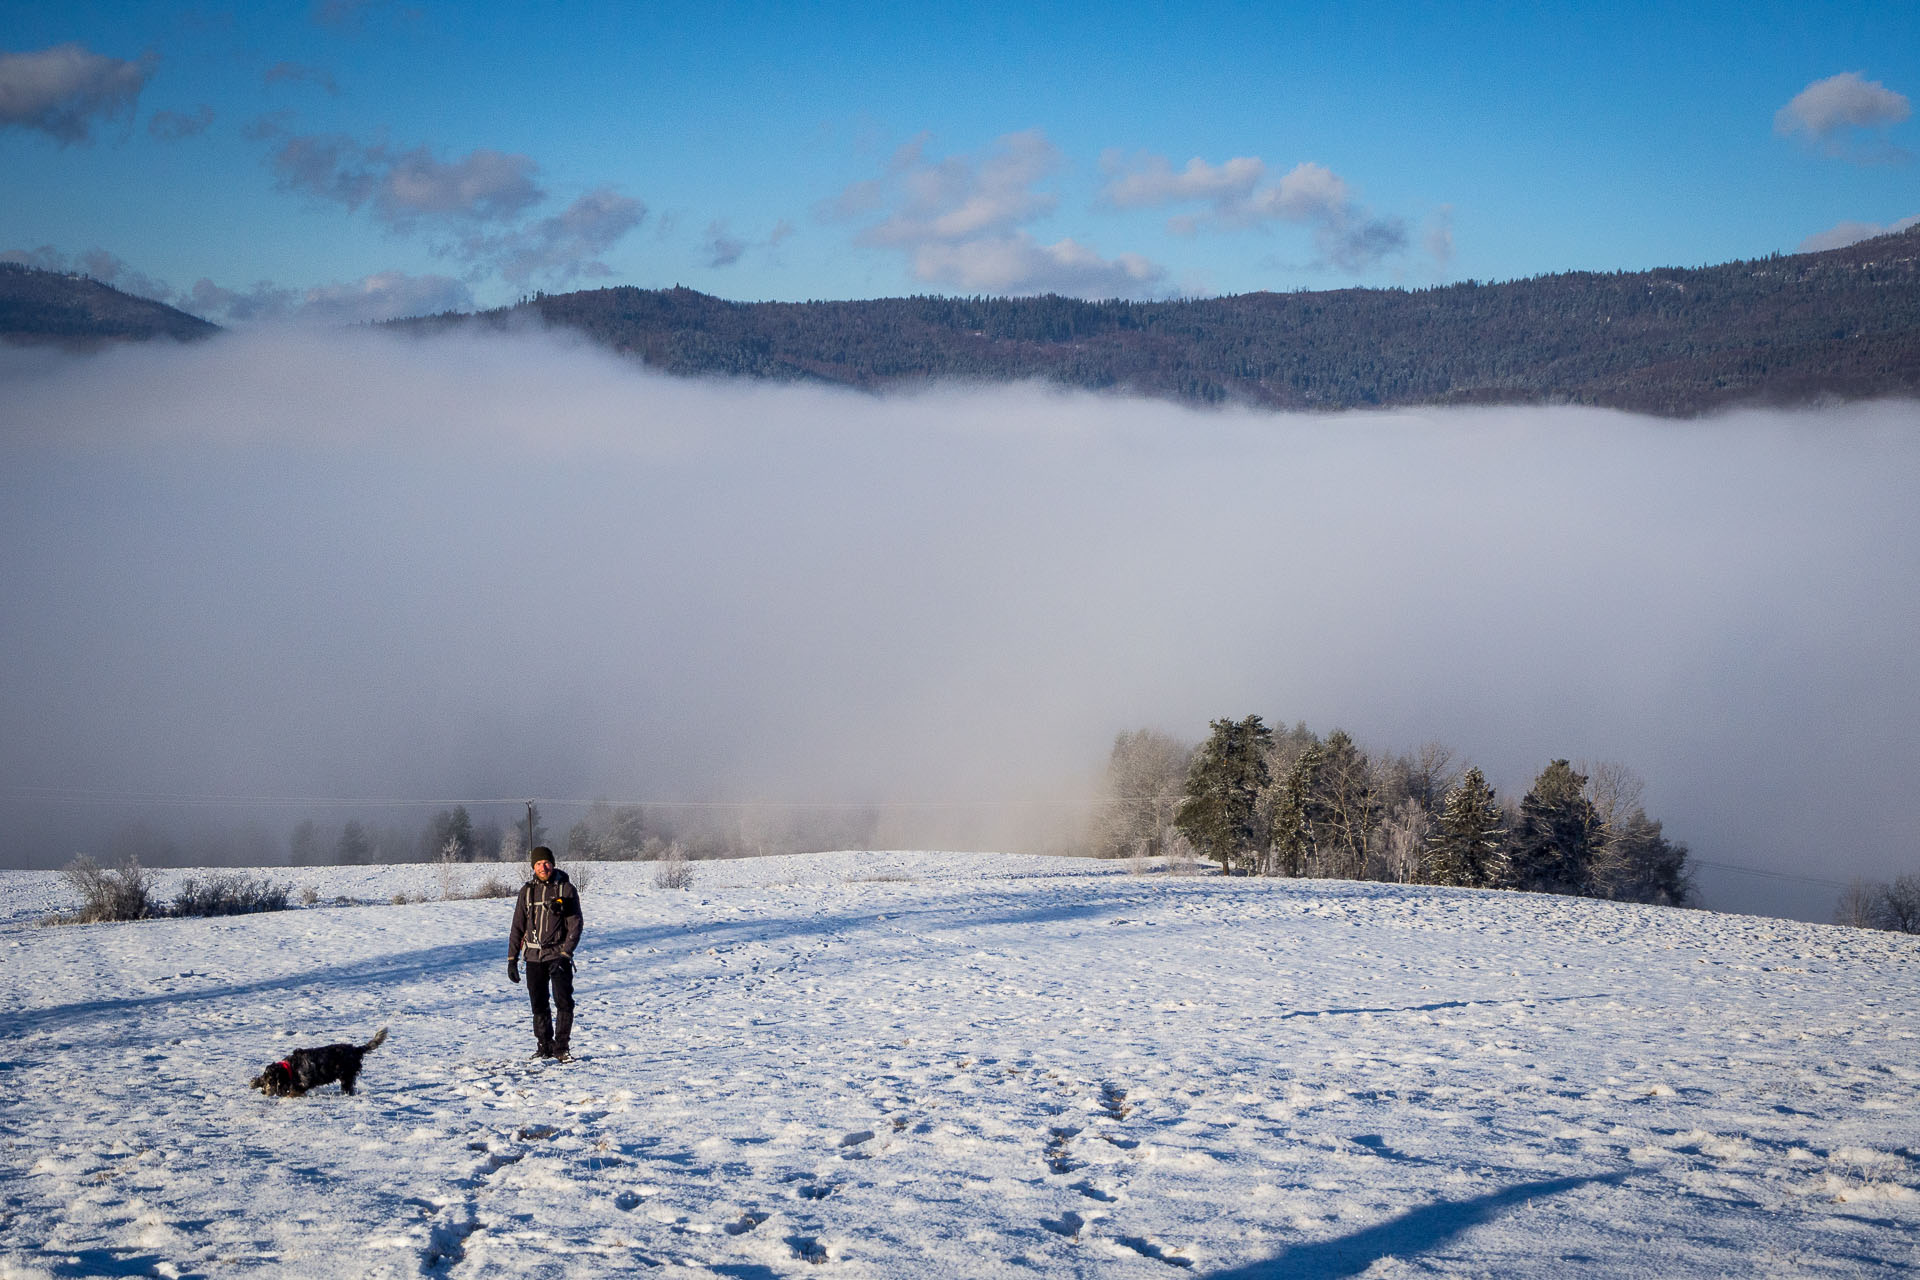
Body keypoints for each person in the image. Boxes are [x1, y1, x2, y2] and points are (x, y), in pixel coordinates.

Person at [507, 845, 582, 1060]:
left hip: (559, 956)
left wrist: (566, 954)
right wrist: (511, 959)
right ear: (533, 866)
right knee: (538, 1003)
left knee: (563, 1002)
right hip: (533, 957)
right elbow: (517, 927)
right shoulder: (527, 892)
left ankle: (562, 1048)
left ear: (553, 864)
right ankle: (544, 1046)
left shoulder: (566, 890)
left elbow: (576, 925)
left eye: (546, 863)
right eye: (539, 863)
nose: (543, 867)